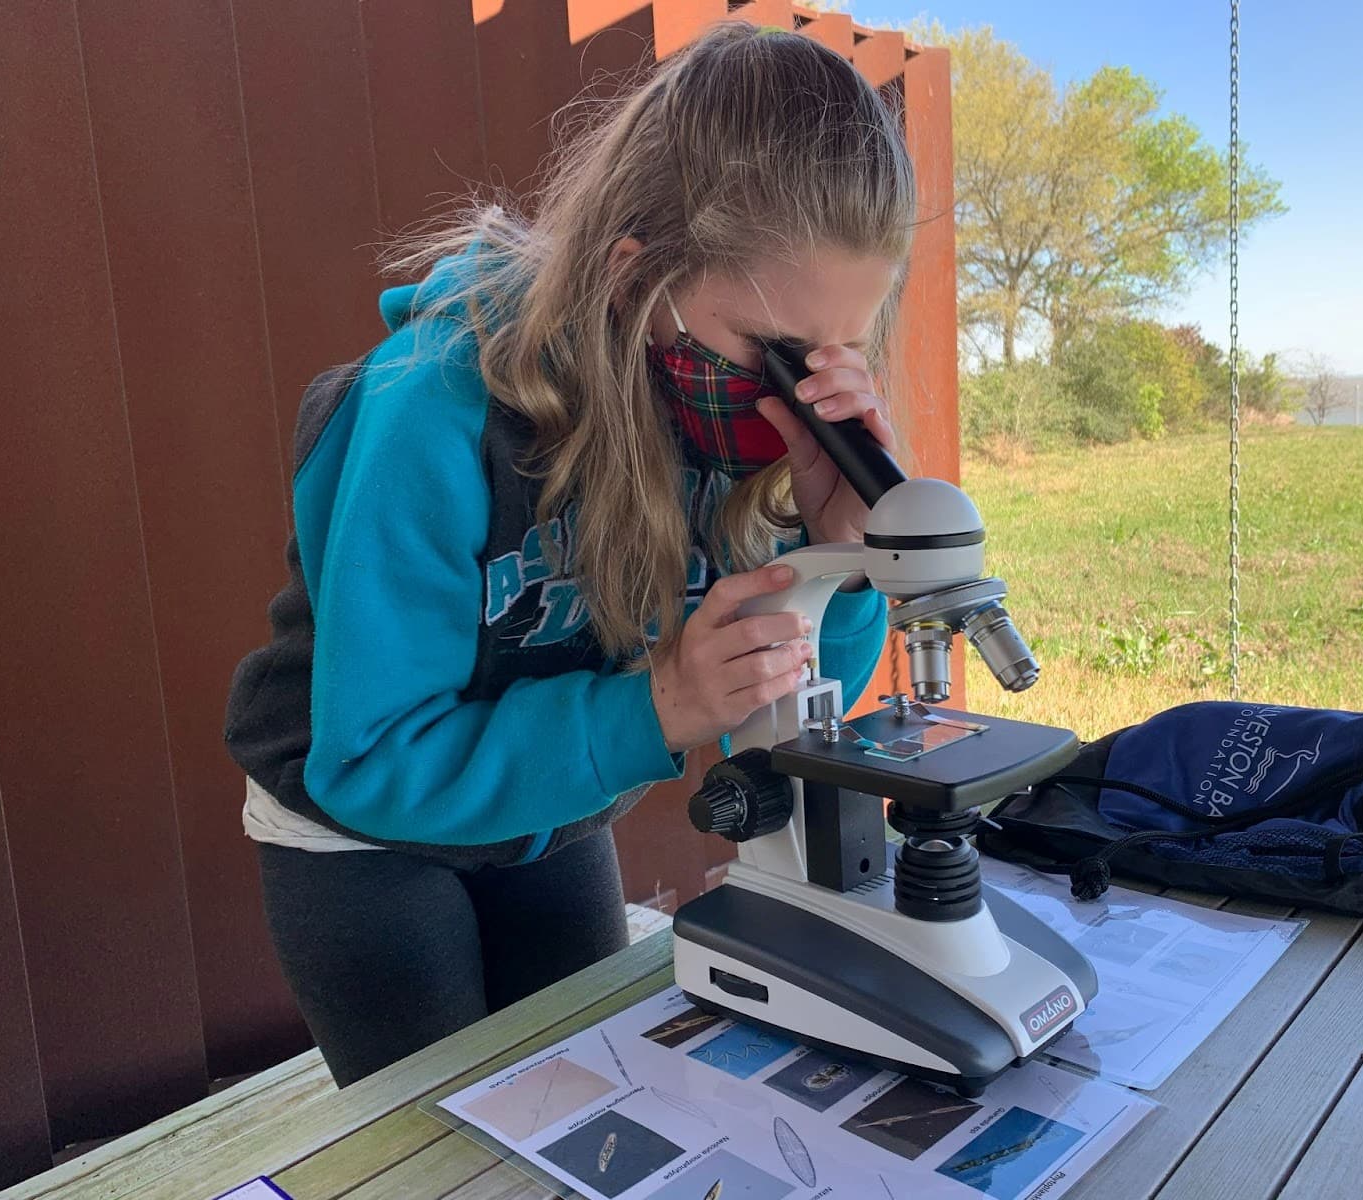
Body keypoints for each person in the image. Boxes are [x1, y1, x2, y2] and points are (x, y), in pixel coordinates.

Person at [223, 22, 917, 1087]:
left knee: (581, 1090)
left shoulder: (716, 419)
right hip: (360, 827)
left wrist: (839, 558)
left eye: (835, 355)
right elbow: (370, 761)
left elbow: (779, 708)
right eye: (772, 353)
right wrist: (654, 709)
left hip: (548, 808)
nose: (794, 396)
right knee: (438, 1130)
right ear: (634, 277)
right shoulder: (429, 413)